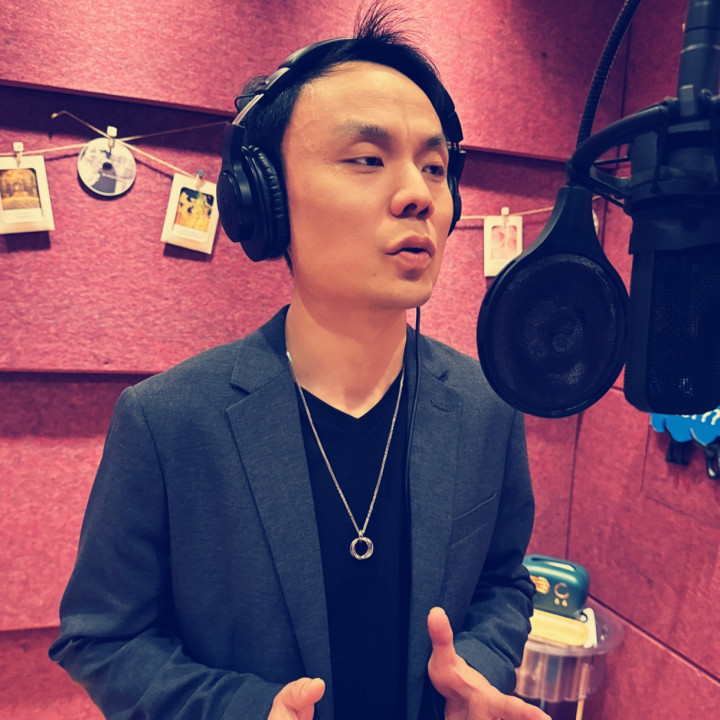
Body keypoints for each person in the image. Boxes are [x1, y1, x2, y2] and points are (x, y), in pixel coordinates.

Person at [50, 4, 549, 719]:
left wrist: (476, 672)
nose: (418, 194)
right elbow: (102, 637)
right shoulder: (167, 421)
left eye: (435, 167)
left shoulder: (487, 405)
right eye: (367, 160)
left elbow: (504, 583)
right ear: (266, 198)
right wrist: (241, 710)